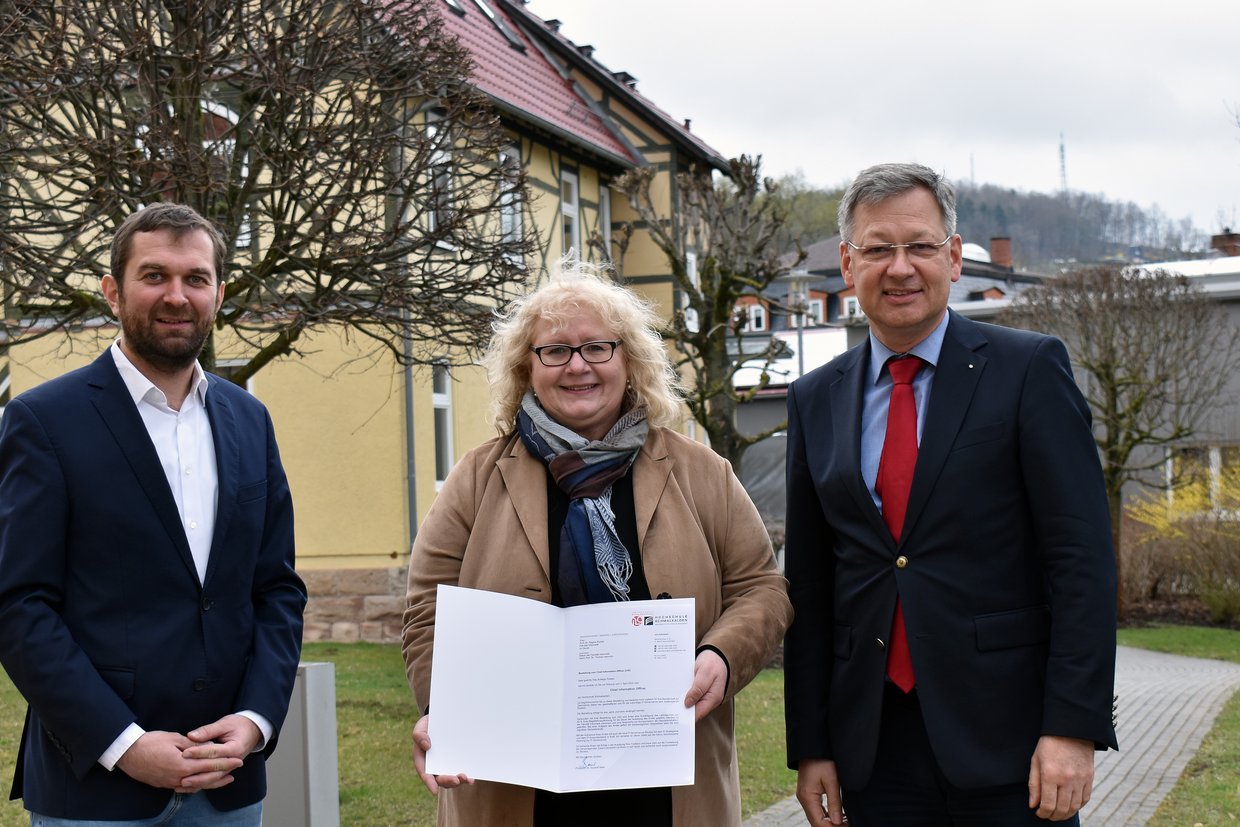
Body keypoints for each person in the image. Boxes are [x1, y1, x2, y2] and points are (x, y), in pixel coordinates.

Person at [783, 163, 1118, 826]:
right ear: (848, 266)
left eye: (921, 245)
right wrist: (812, 745)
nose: (900, 267)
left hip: (1013, 742)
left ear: (955, 257)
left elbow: (1081, 559)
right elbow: (813, 583)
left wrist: (1072, 726)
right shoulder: (814, 396)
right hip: (875, 747)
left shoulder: (1030, 370)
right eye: (878, 248)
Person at [402, 266, 792, 827]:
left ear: (629, 360)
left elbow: (761, 588)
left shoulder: (702, 471)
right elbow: (426, 613)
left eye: (597, 347)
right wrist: (443, 709)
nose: (578, 365)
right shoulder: (476, 478)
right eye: (555, 350)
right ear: (526, 369)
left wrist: (722, 655)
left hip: (666, 786)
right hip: (514, 785)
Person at [0, 203, 307, 825]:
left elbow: (276, 589)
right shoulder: (43, 421)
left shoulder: (250, 418)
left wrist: (254, 721)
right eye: (154, 276)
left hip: (227, 782)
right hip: (96, 787)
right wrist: (124, 743)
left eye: (195, 278)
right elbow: (18, 604)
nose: (176, 296)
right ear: (113, 291)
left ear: (218, 294)